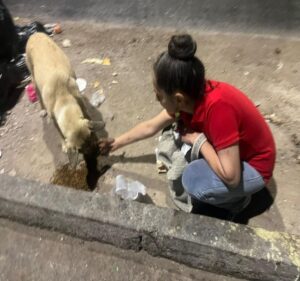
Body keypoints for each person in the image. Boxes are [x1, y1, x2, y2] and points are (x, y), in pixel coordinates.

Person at [99, 34, 276, 216]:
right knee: (175, 134)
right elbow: (150, 127)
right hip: (236, 155)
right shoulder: (190, 96)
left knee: (192, 178)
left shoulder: (218, 109)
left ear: (178, 99)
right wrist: (115, 143)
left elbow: (232, 177)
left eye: (159, 96)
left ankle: (236, 201)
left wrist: (199, 141)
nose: (156, 99)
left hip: (255, 166)